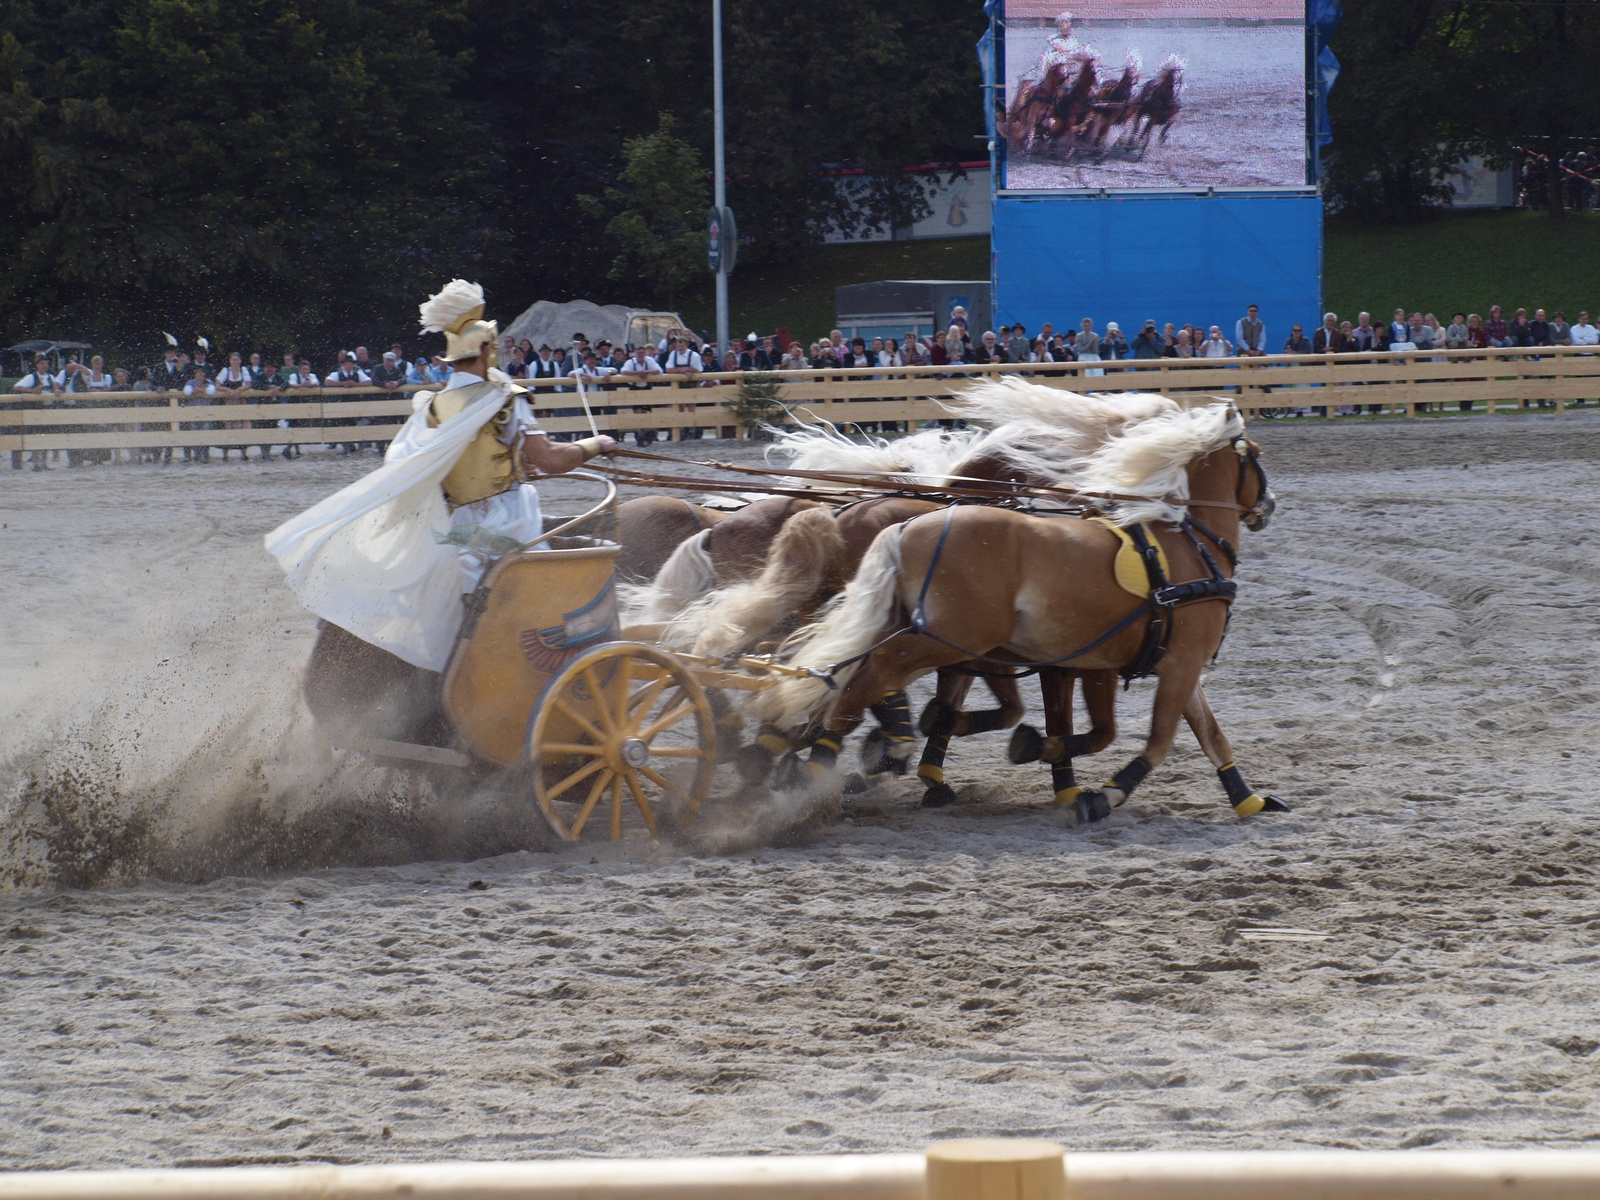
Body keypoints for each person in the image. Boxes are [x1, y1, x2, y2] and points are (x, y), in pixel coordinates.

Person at [266, 279, 617, 674]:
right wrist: (596, 444)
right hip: (506, 523)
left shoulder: (433, 408)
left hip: (454, 526)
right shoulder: (506, 400)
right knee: (562, 581)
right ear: (486, 352)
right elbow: (552, 461)